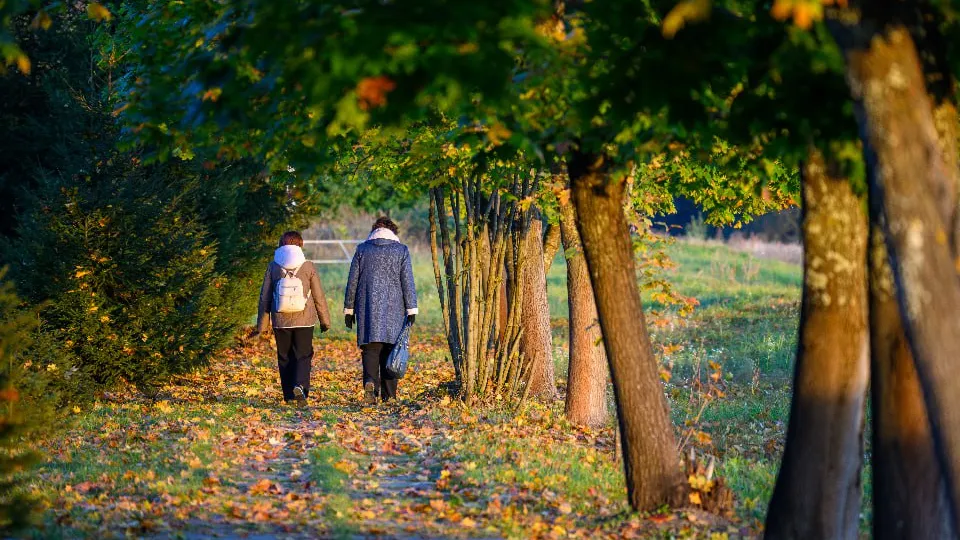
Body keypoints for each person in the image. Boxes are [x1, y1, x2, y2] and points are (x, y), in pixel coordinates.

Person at [343, 217, 418, 404]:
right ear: (393, 232)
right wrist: (411, 308)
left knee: (370, 348)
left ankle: (370, 383)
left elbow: (352, 281)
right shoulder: (401, 251)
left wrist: (349, 309)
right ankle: (389, 395)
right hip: (395, 308)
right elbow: (407, 281)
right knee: (391, 349)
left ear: (374, 231)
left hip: (366, 306)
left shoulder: (362, 249)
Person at [257, 231, 331, 406]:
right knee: (303, 355)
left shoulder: (273, 266)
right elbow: (319, 296)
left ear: (281, 244)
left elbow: (265, 296)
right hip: (304, 320)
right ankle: (300, 386)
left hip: (280, 319)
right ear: (300, 244)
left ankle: (289, 396)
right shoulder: (308, 266)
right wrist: (325, 320)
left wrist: (262, 324)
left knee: (284, 356)